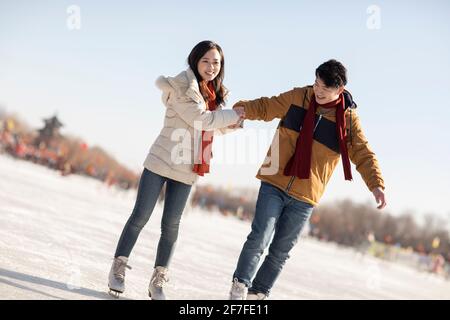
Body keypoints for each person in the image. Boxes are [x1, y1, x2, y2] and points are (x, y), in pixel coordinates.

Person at [229, 59, 386, 300]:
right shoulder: (298, 97)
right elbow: (266, 106)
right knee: (259, 236)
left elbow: (363, 153)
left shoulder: (348, 120)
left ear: (340, 90)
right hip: (275, 180)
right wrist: (242, 109)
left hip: (306, 195)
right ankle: (239, 288)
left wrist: (376, 185)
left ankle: (257, 295)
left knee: (280, 251)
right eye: (316, 84)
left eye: (325, 88)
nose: (318, 91)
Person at [108, 40, 244, 299]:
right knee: (140, 216)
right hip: (161, 160)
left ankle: (158, 280)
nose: (211, 66)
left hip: (187, 166)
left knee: (171, 225)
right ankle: (118, 268)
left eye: (216, 62)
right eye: (206, 60)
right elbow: (201, 120)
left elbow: (209, 126)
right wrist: (233, 116)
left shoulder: (213, 93)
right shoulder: (183, 85)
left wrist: (232, 124)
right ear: (195, 60)